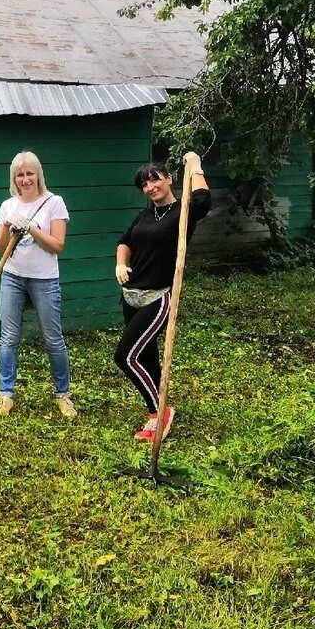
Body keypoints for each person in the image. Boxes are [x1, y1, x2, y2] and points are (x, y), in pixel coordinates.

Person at [113, 152, 211, 443]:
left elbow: (204, 200)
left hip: (158, 297)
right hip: (131, 295)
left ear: (169, 179)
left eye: (155, 179)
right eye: (144, 184)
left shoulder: (183, 211)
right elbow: (124, 241)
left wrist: (195, 165)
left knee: (125, 357)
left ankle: (161, 411)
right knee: (146, 357)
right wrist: (121, 262)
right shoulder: (145, 215)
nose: (150, 187)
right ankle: (156, 414)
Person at [0, 151, 75, 418]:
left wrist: (31, 228)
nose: (25, 179)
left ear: (38, 174)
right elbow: (0, 248)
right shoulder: (8, 205)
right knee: (8, 338)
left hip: (45, 279)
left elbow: (57, 246)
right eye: (20, 174)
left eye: (30, 173)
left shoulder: (54, 203)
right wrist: (7, 225)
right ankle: (6, 395)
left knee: (53, 339)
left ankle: (63, 395)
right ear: (13, 178)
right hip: (12, 276)